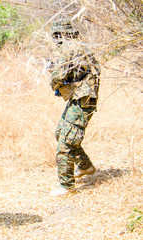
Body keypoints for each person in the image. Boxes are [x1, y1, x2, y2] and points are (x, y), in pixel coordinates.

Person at [48, 19, 101, 197]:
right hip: (82, 97)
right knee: (61, 132)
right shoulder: (79, 46)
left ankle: (67, 185)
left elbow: (58, 74)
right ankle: (85, 166)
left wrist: (54, 81)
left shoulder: (69, 48)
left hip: (82, 97)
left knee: (65, 142)